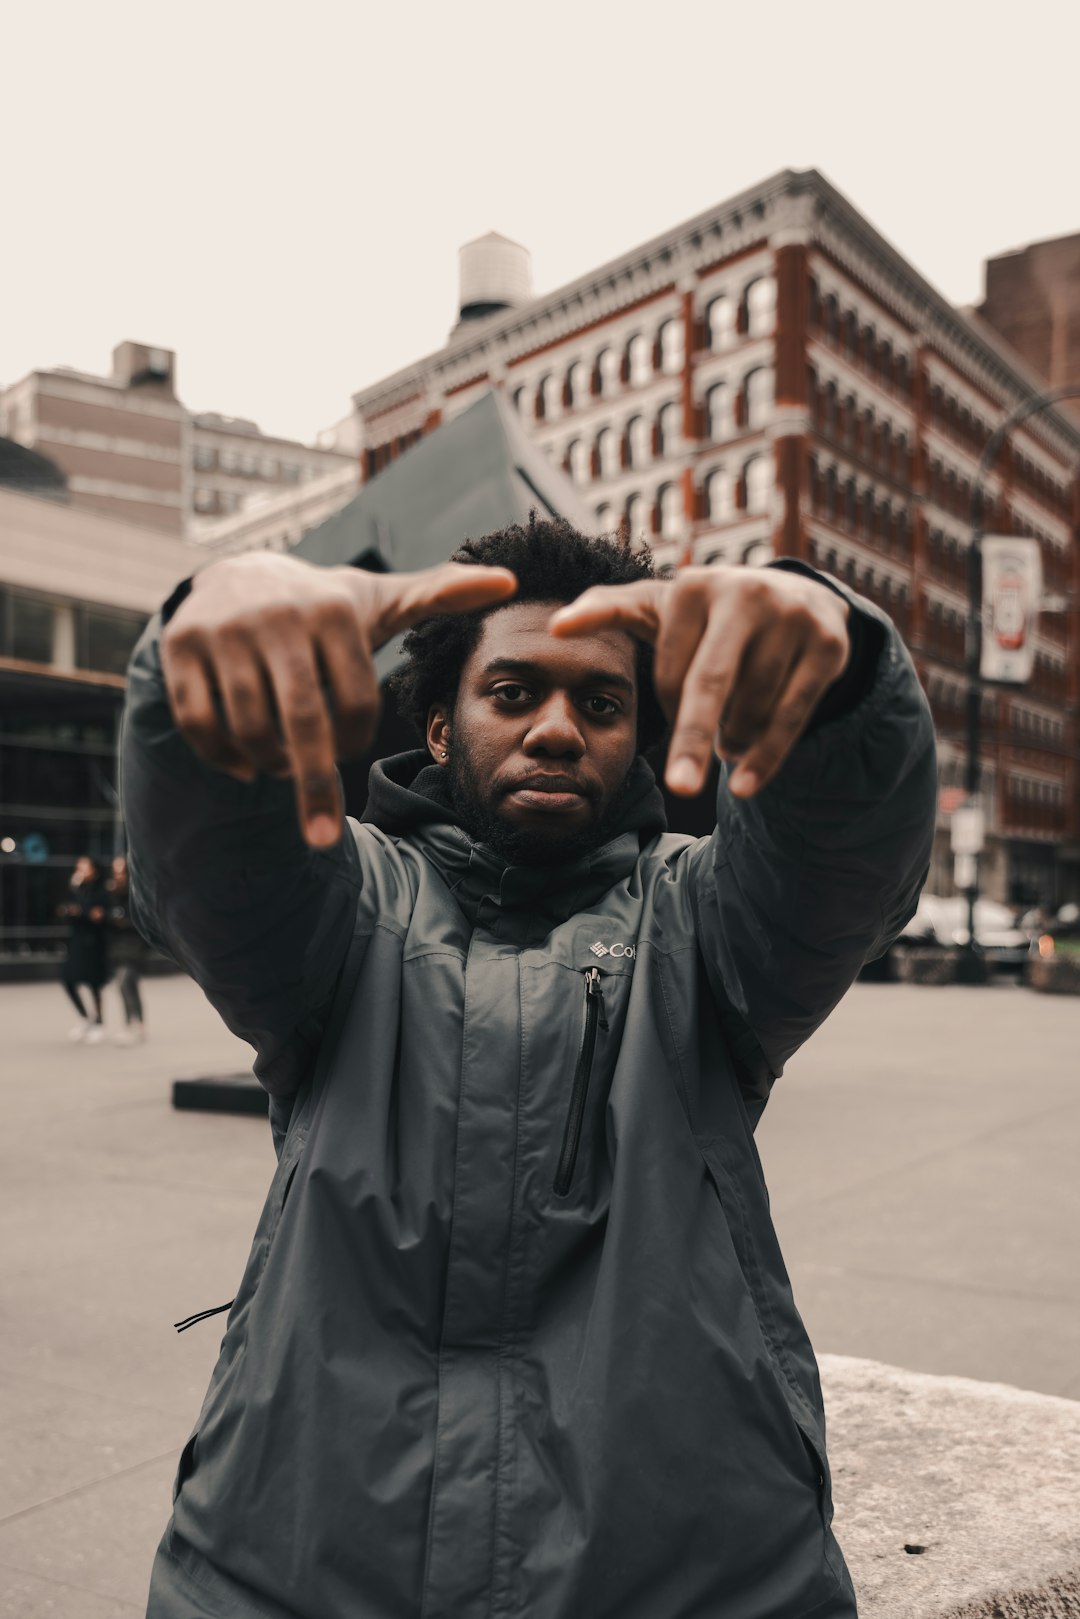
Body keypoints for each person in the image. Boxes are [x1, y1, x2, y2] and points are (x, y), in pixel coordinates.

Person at [121, 516, 937, 1619]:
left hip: (697, 1577)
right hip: (296, 1567)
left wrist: (840, 675)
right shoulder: (343, 912)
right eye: (512, 692)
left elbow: (844, 849)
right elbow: (212, 849)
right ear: (441, 730)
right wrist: (198, 662)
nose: (557, 728)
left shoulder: (709, 927)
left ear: (642, 738)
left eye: (600, 704)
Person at [58, 854, 109, 1043]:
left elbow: (98, 915)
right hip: (77, 942)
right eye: (78, 867)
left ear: (93, 869)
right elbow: (67, 910)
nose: (80, 870)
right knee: (68, 979)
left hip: (94, 943)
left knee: (94, 983)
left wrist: (81, 912)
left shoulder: (101, 889)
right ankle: (84, 1017)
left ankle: (99, 1023)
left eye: (84, 867)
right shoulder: (77, 888)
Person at [106, 854, 147, 1043]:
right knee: (128, 986)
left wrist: (125, 922)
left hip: (133, 946)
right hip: (117, 946)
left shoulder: (136, 891)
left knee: (125, 983)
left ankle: (135, 1025)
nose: (118, 874)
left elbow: (142, 920)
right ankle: (135, 1024)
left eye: (121, 870)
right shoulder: (112, 892)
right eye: (115, 870)